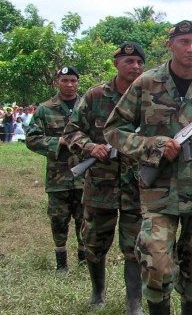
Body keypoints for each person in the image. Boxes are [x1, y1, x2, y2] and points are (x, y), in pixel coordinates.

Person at [104, 20, 192, 315]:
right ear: (170, 45)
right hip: (159, 192)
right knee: (156, 263)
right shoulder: (147, 82)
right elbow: (114, 130)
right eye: (185, 42)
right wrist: (153, 145)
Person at [63, 42, 146, 313]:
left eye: (138, 63)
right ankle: (97, 294)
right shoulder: (95, 96)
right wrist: (90, 147)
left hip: (137, 186)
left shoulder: (149, 97)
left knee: (135, 248)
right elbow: (72, 131)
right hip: (100, 186)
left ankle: (134, 303)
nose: (135, 67)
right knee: (95, 245)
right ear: (116, 64)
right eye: (128, 62)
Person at [26, 66, 85, 272]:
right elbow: (32, 139)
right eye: (65, 80)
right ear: (57, 82)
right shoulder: (45, 109)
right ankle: (61, 262)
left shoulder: (86, 105)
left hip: (85, 174)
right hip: (58, 176)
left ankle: (84, 259)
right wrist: (57, 141)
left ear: (78, 82)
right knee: (59, 219)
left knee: (84, 218)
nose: (69, 85)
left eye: (73, 81)